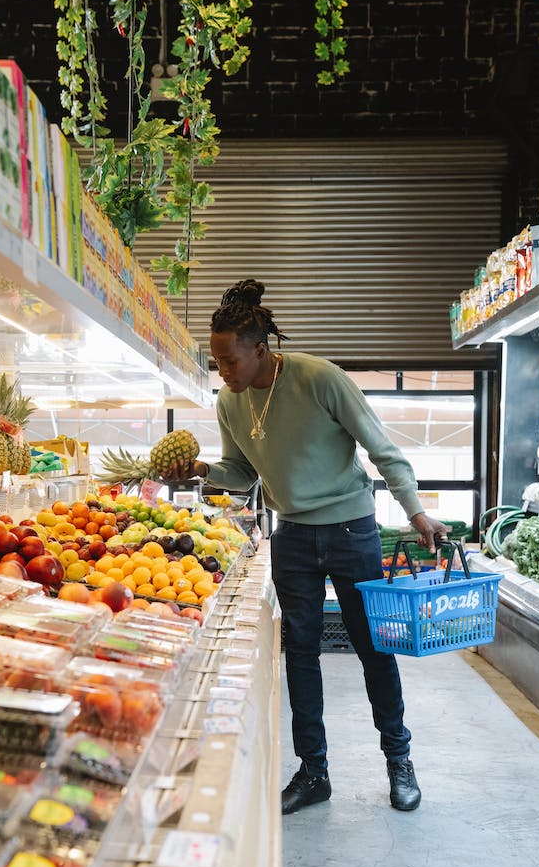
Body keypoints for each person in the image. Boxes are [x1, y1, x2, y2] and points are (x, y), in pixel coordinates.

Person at [165, 278, 448, 815]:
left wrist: (415, 512)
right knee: (300, 654)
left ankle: (398, 760)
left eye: (228, 361)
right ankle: (314, 770)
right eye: (216, 362)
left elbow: (383, 450)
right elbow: (242, 471)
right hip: (290, 535)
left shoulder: (320, 379)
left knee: (373, 648)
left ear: (260, 350)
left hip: (350, 529)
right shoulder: (231, 400)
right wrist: (202, 470)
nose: (221, 372)